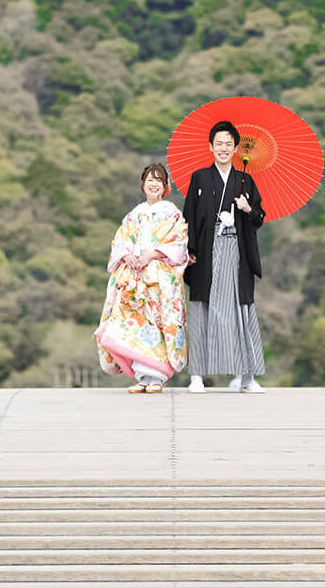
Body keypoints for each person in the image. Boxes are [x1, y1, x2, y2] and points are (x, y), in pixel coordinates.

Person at [182, 120, 267, 394]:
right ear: (210, 146)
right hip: (207, 252)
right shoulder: (199, 178)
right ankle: (196, 374)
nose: (223, 148)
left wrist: (247, 209)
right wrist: (190, 251)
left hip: (236, 254)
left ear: (235, 148)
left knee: (241, 312)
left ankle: (247, 377)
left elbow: (260, 217)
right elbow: (190, 217)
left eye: (228, 144)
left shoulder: (246, 180)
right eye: (218, 143)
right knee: (202, 311)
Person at [94, 163, 189, 394]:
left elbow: (178, 242)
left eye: (159, 180)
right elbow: (120, 240)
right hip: (135, 274)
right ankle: (142, 376)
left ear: (166, 186)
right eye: (149, 179)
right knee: (135, 323)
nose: (153, 183)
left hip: (158, 275)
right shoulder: (134, 214)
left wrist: (151, 255)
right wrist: (128, 255)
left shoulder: (172, 212)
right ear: (143, 184)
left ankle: (156, 377)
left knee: (155, 323)